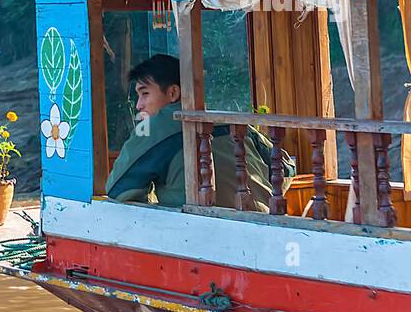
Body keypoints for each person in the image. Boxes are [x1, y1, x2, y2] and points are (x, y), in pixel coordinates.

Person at [105, 54, 281, 210]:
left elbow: (117, 189)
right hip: (267, 225)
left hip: (204, 235)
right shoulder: (227, 121)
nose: (138, 105)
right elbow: (286, 168)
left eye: (145, 94)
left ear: (173, 92)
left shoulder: (156, 126)